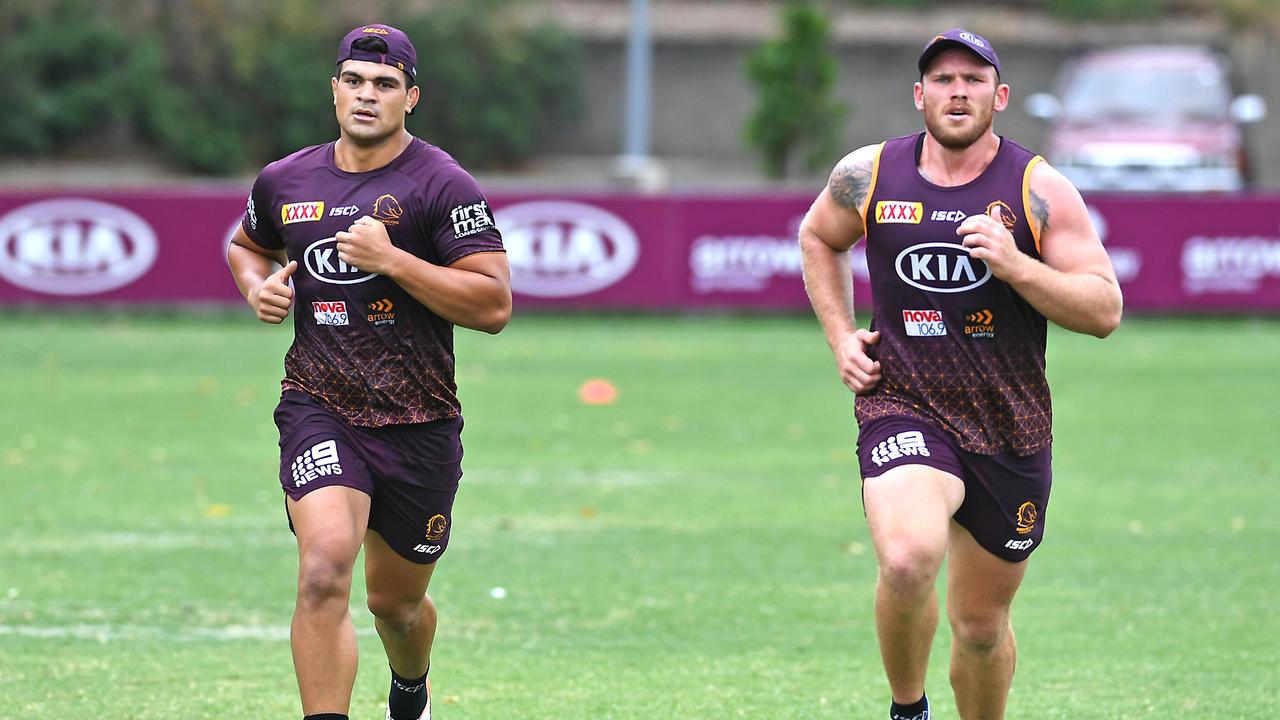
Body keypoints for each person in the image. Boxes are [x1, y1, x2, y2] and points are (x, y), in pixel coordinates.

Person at [798, 29, 1122, 720]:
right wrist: (839, 338)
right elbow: (819, 237)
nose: (957, 91)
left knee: (978, 629)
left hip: (1011, 425)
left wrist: (1016, 265)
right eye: (942, 79)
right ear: (919, 96)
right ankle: (907, 711)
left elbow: (1103, 310)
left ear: (999, 97)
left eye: (973, 80)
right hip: (904, 404)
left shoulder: (1036, 188)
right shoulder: (869, 173)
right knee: (911, 558)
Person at [226, 23, 511, 720]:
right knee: (324, 569)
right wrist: (256, 286)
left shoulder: (443, 184)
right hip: (319, 404)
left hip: (419, 422)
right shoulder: (286, 179)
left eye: (384, 84)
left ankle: (411, 686)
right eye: (353, 80)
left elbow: (494, 303)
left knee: (396, 603)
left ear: (410, 98)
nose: (366, 94)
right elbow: (245, 246)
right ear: (334, 89)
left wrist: (393, 261)